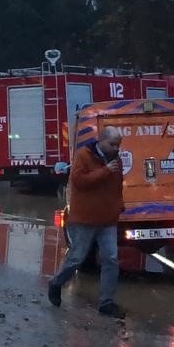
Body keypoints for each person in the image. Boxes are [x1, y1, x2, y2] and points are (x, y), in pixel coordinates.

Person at [47, 127, 127, 319]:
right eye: (112, 144)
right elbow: (79, 181)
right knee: (77, 257)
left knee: (111, 259)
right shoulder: (84, 156)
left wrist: (119, 205)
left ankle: (106, 302)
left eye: (118, 145)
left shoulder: (116, 159)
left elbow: (116, 185)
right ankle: (57, 283)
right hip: (84, 219)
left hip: (108, 219)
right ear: (101, 140)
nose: (116, 148)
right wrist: (104, 171)